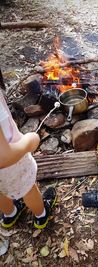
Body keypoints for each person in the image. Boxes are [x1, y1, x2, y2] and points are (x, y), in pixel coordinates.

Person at [0, 88, 56, 229]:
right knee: (28, 188)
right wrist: (28, 143)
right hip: (11, 162)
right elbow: (4, 156)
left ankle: (10, 214)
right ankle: (41, 215)